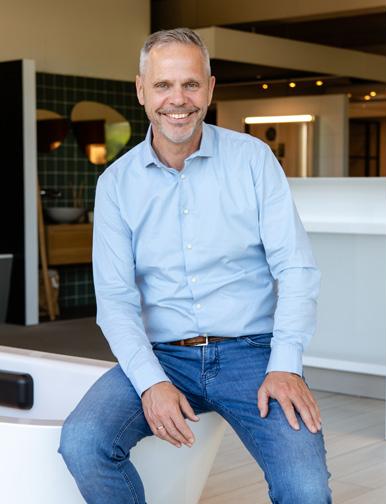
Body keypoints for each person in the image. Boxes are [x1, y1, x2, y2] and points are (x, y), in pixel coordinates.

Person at [59, 28, 331, 504]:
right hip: (162, 354)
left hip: (252, 352)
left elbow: (296, 269)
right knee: (83, 442)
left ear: (209, 88)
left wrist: (286, 365)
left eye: (190, 84)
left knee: (306, 490)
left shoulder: (253, 160)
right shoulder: (117, 184)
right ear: (142, 91)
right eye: (163, 85)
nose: (177, 99)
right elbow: (116, 300)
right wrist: (151, 382)